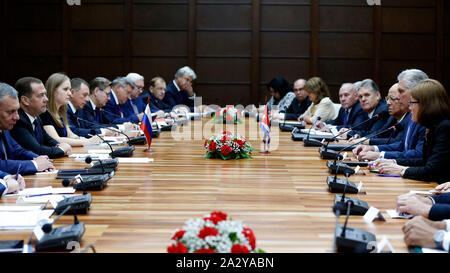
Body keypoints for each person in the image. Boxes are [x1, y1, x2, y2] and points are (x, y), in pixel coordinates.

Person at [369, 79, 450, 183]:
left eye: (412, 103)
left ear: (426, 105)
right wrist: (393, 161)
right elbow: (424, 161)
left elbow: (432, 171)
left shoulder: (444, 128)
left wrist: (402, 170)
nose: (410, 108)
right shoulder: (432, 126)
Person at [353, 69, 429, 161]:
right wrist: (374, 148)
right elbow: (402, 144)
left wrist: (380, 155)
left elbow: (418, 155)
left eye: (401, 92)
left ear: (416, 91)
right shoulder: (410, 114)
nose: (397, 97)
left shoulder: (426, 117)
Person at [0, 83, 55, 175]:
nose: (17, 117)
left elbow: (17, 150)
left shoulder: (4, 127)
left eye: (17, 110)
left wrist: (39, 159)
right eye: (11, 112)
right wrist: (34, 164)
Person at [10, 77, 71, 158]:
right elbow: (37, 150)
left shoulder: (37, 117)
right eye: (41, 95)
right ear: (25, 100)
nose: (46, 99)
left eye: (45, 94)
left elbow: (48, 139)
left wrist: (60, 144)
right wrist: (61, 150)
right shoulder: (18, 120)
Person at [40, 73, 102, 146]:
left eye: (69, 89)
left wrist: (85, 139)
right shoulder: (45, 113)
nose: (69, 93)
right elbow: (56, 139)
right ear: (53, 90)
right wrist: (87, 142)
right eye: (65, 89)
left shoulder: (61, 112)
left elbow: (70, 135)